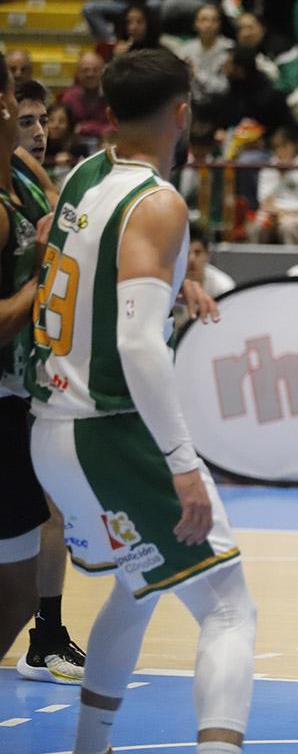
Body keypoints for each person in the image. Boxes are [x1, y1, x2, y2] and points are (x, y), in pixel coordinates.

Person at [26, 48, 256, 754]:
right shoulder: (158, 203)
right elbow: (137, 345)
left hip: (51, 431)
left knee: (138, 585)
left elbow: (67, 250)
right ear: (182, 114)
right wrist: (182, 462)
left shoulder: (81, 175)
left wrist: (170, 281)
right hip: (110, 431)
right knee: (228, 608)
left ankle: (89, 746)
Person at [0, 55, 90, 686]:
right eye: (21, 114)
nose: (34, 129)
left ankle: (46, 634)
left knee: (49, 515)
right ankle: (46, 634)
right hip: (10, 377)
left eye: (41, 119)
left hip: (29, 377)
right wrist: (46, 269)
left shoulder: (30, 178)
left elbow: (69, 226)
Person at [253, 125, 298, 244]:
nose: (280, 151)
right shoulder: (270, 166)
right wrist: (280, 176)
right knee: (257, 228)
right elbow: (264, 199)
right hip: (272, 213)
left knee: (287, 229)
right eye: (277, 147)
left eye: (284, 146)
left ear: (295, 145)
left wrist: (283, 211)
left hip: (297, 214)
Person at [175, 4, 234, 121]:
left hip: (220, 106)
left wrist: (197, 74)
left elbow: (223, 88)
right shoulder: (185, 50)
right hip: (191, 106)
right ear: (195, 24)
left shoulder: (229, 49)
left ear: (219, 24)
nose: (208, 24)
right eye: (203, 20)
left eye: (214, 20)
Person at [58, 51, 112, 144]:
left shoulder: (112, 96)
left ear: (103, 72)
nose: (90, 74)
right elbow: (64, 129)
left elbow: (118, 127)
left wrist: (85, 128)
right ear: (77, 73)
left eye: (95, 70)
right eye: (85, 70)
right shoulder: (68, 98)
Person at [187, 225, 237, 297]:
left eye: (197, 253)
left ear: (208, 255)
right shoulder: (171, 283)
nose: (192, 259)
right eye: (186, 253)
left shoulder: (224, 287)